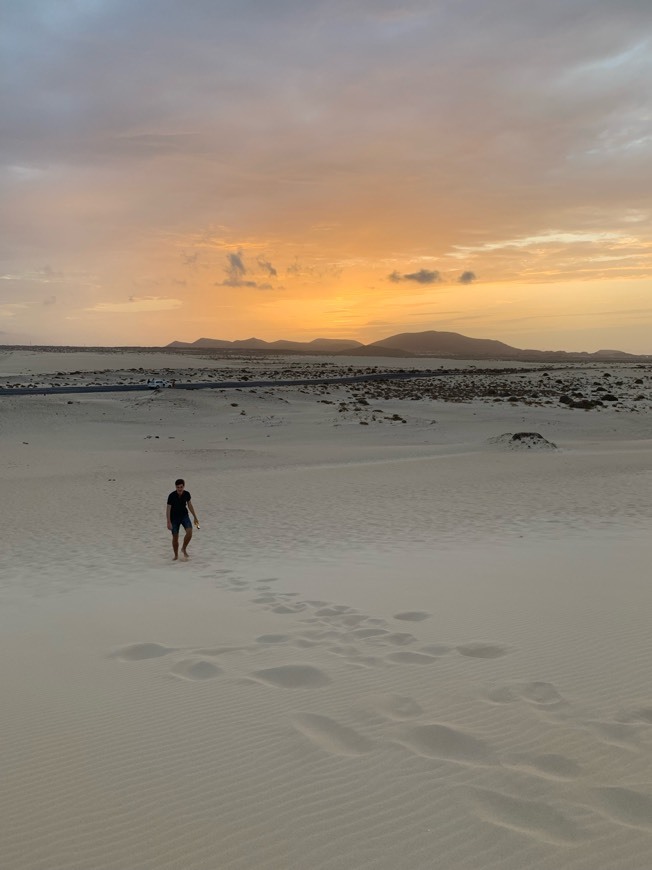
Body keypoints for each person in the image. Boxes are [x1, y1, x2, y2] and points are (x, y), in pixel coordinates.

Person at [166, 478, 199, 560]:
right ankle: (176, 555)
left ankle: (183, 548)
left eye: (181, 487)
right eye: (178, 487)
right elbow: (168, 509)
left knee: (189, 532)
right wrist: (168, 522)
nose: (179, 489)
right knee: (175, 537)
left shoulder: (187, 494)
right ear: (176, 487)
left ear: (183, 486)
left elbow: (190, 505)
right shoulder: (171, 496)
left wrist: (195, 517)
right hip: (174, 518)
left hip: (184, 516)